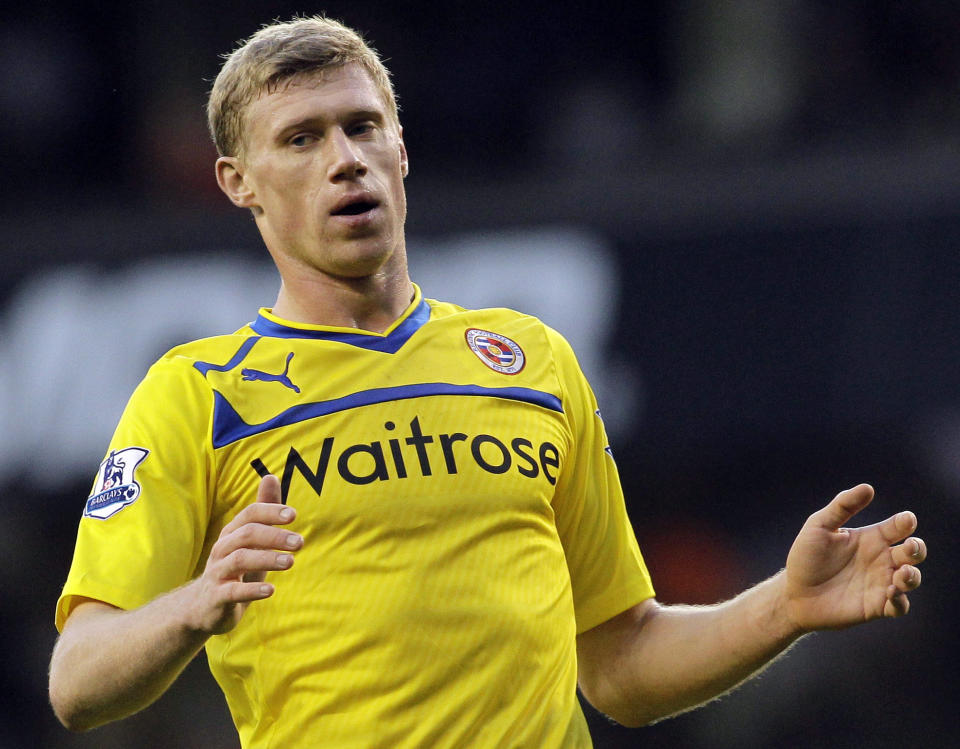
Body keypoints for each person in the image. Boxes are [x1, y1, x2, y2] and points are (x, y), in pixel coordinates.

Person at [48, 15, 927, 748]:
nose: (344, 159)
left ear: (401, 148)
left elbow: (620, 662)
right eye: (301, 139)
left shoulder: (530, 359)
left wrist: (787, 603)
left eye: (362, 126)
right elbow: (76, 681)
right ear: (239, 183)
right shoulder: (195, 392)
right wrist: (191, 607)